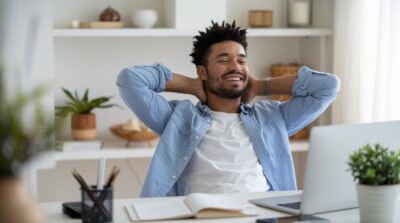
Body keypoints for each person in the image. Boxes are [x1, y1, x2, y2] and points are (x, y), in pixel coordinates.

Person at [116, 21, 340, 198]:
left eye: (241, 61)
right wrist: (192, 85)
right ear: (202, 72)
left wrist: (261, 86)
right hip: (200, 216)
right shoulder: (179, 118)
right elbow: (131, 80)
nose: (235, 66)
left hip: (259, 215)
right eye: (224, 60)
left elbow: (328, 86)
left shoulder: (272, 117)